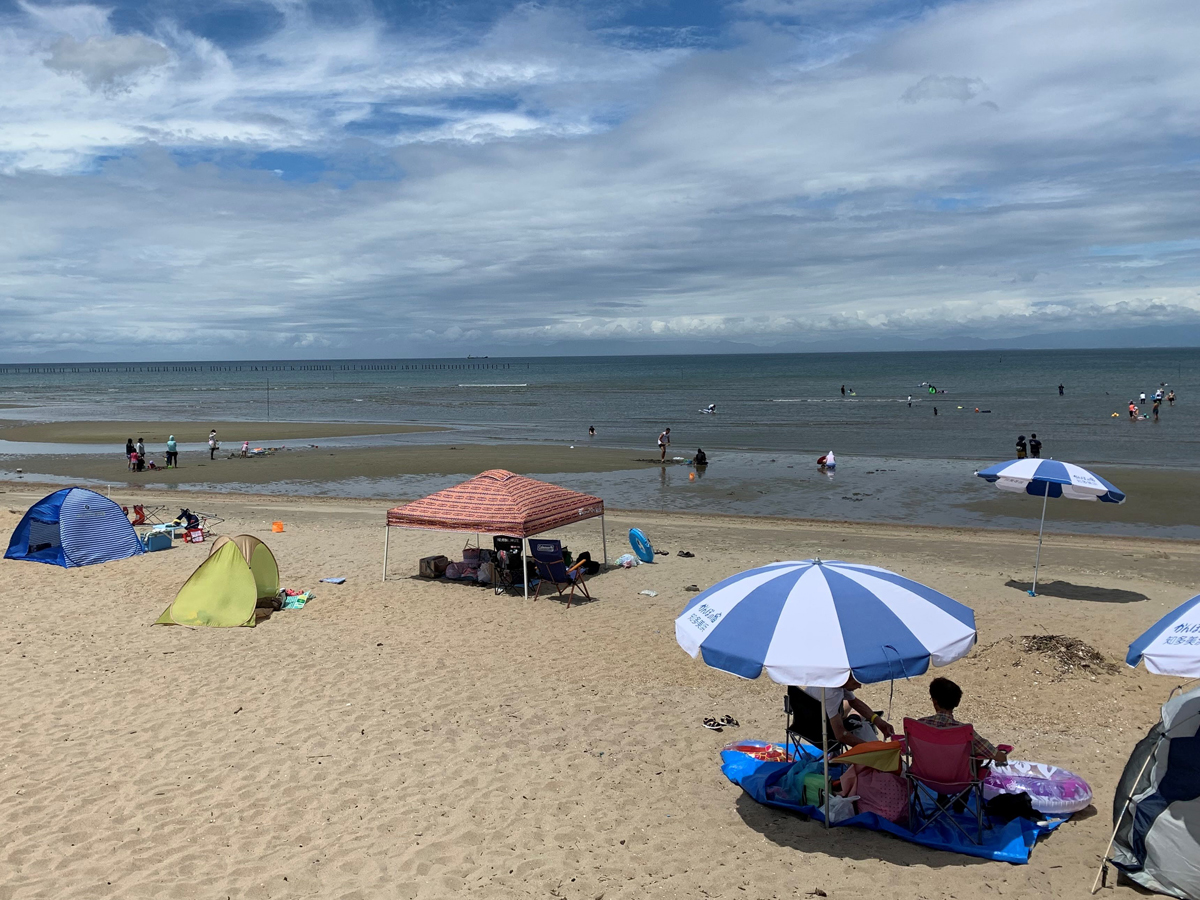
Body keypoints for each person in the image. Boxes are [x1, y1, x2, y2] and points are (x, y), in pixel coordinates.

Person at [918, 677, 1008, 766]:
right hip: (957, 779)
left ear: (934, 701)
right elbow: (998, 757)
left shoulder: (919, 726)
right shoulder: (964, 732)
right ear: (957, 703)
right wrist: (1003, 754)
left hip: (922, 776)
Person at [803, 674, 896, 747]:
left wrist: (878, 721)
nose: (859, 686)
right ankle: (856, 717)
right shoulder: (831, 694)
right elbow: (841, 735)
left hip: (806, 722)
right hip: (822, 733)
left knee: (849, 704)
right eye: (856, 683)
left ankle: (858, 716)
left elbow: (854, 702)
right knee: (858, 720)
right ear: (847, 678)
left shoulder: (833, 680)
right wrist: (870, 747)